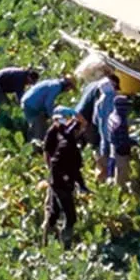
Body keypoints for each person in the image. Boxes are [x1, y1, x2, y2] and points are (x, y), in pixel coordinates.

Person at [40, 111, 89, 247]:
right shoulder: (66, 144)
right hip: (60, 184)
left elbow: (75, 169)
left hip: (59, 182)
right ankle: (65, 244)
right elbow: (54, 162)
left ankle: (46, 243)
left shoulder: (68, 140)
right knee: (71, 217)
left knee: (54, 213)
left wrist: (82, 185)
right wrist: (64, 177)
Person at [21, 75, 73, 142]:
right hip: (31, 105)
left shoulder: (53, 82)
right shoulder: (57, 87)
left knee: (35, 127)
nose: (68, 90)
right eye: (69, 88)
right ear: (67, 85)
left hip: (27, 102)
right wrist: (53, 117)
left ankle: (32, 145)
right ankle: (36, 149)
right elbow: (48, 104)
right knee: (40, 131)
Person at [105, 94, 136, 185]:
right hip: (120, 149)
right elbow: (124, 140)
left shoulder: (112, 115)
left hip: (113, 143)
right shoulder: (120, 121)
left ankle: (111, 179)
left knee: (113, 162)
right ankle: (120, 187)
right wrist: (134, 142)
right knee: (121, 171)